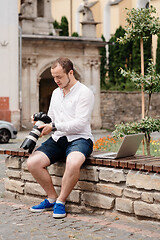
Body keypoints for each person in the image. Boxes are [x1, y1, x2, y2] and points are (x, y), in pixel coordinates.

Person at [27, 57, 94, 218]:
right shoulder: (56, 93)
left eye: (59, 77)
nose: (56, 80)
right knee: (33, 163)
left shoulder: (85, 92)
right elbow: (51, 118)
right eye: (54, 77)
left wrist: (54, 126)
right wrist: (41, 122)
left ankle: (61, 201)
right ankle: (51, 198)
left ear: (70, 73)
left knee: (73, 162)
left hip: (80, 138)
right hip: (58, 138)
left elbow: (80, 123)